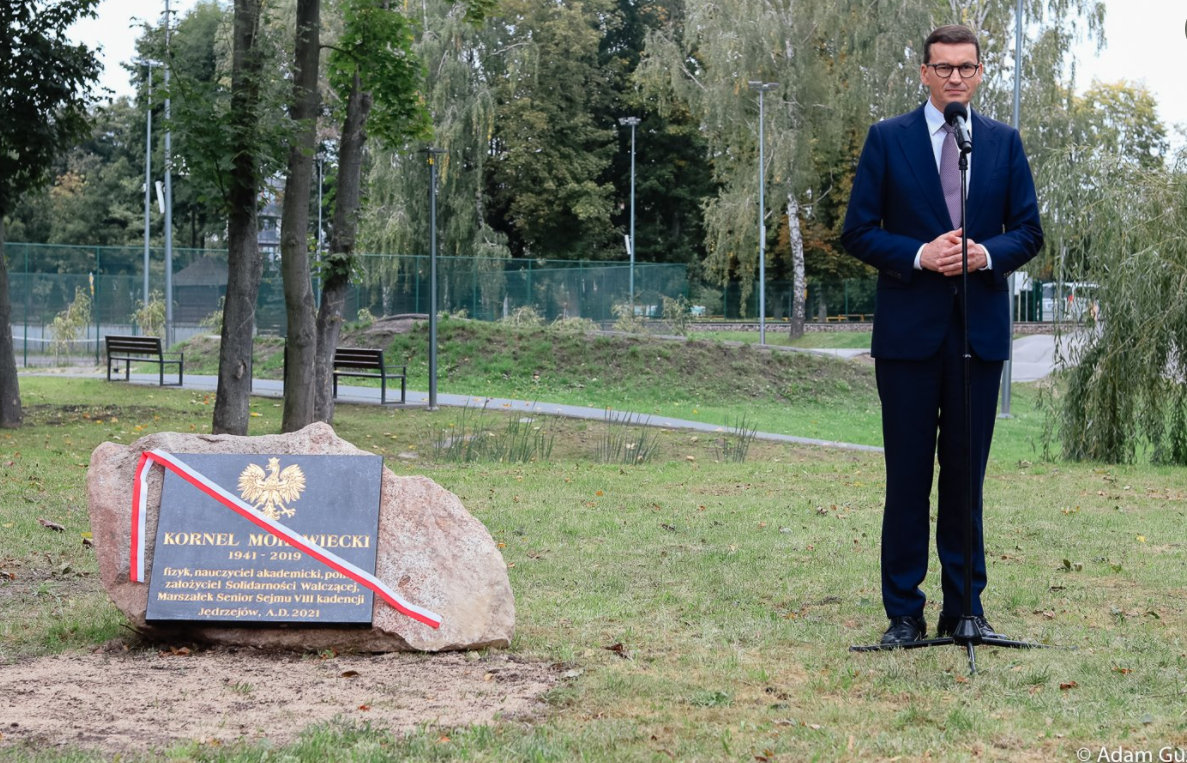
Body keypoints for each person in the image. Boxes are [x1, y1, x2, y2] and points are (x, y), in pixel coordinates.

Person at [840, 24, 1044, 646]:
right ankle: (904, 614)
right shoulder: (888, 140)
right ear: (924, 73)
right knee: (906, 480)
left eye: (966, 67)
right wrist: (919, 254)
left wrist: (985, 255)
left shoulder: (1004, 144)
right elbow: (857, 231)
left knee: (965, 480)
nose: (955, 77)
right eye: (943, 67)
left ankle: (965, 612)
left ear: (981, 73)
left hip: (976, 341)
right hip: (907, 341)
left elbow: (1029, 232)